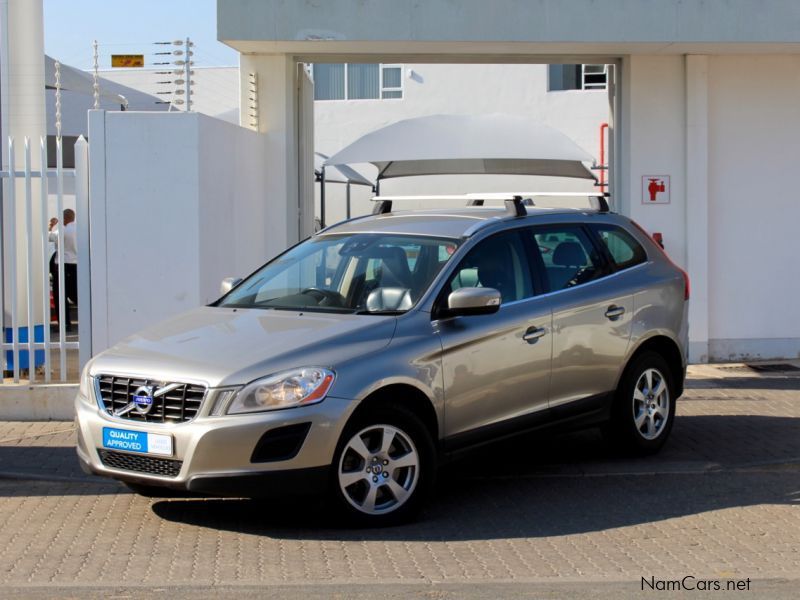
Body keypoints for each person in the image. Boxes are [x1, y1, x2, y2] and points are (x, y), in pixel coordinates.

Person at [48, 209, 78, 331]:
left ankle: (65, 324)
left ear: (65, 218)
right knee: (76, 294)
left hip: (62, 266)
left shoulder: (63, 230)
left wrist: (51, 225)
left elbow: (49, 236)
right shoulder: (80, 230)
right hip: (76, 265)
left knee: (60, 295)